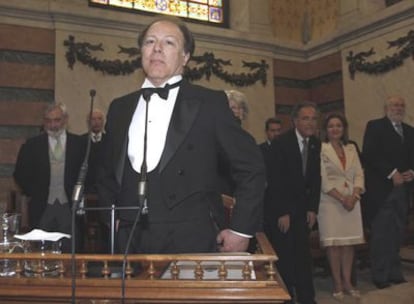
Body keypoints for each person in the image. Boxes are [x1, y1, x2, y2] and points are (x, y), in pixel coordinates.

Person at [96, 17, 265, 255]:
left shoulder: (210, 103)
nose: (157, 48)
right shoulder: (119, 108)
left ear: (185, 57)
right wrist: (110, 216)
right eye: (150, 41)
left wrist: (241, 229)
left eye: (169, 43)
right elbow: (105, 172)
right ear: (141, 51)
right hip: (128, 237)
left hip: (191, 238)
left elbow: (251, 168)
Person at [264, 102, 321, 304]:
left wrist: (313, 208)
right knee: (285, 258)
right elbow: (275, 180)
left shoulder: (315, 143)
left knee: (303, 258)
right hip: (282, 212)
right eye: (306, 118)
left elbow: (315, 179)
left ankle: (307, 298)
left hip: (303, 212)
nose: (310, 122)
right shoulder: (281, 143)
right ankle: (286, 298)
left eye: (314, 118)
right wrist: (283, 211)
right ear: (295, 121)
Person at [13, 102, 85, 252]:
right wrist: (35, 192)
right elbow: (20, 173)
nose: (53, 125)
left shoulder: (79, 143)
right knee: (42, 250)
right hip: (42, 206)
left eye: (57, 120)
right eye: (48, 120)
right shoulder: (32, 145)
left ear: (65, 120)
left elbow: (88, 172)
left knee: (70, 248)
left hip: (70, 206)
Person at [362, 95, 414, 289]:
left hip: (403, 191)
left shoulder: (410, 130)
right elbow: (369, 153)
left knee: (397, 233)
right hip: (381, 191)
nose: (398, 108)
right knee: (381, 234)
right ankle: (380, 275)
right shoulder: (375, 126)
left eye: (401, 105)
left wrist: (411, 172)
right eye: (394, 105)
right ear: (386, 108)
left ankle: (395, 272)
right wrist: (392, 173)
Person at [318, 113, 365, 300]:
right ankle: (337, 283)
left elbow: (359, 174)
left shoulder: (351, 147)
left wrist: (354, 195)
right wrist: (341, 198)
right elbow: (322, 179)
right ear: (325, 130)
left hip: (352, 201)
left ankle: (348, 281)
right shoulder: (321, 149)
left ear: (344, 128)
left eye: (338, 125)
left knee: (348, 244)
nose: (335, 129)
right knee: (334, 245)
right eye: (331, 126)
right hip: (330, 202)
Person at [82, 109, 106, 194]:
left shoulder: (110, 141)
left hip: (105, 187)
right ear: (88, 122)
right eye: (93, 119)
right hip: (86, 187)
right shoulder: (80, 141)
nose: (96, 122)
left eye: (99, 119)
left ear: (103, 122)